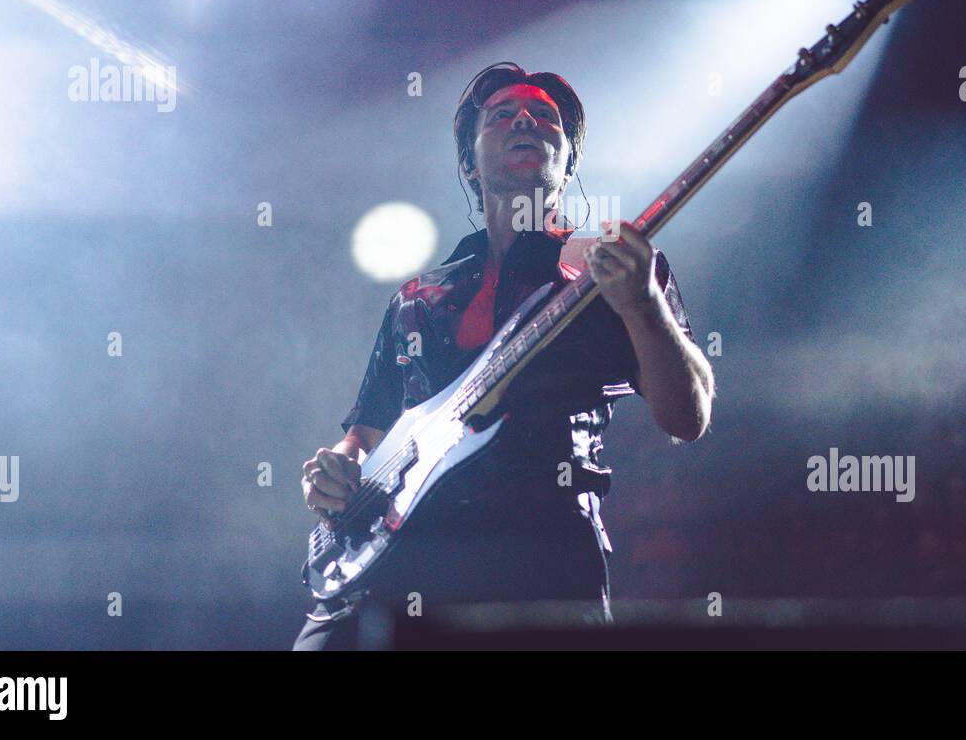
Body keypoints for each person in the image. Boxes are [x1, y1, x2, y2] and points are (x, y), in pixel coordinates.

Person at [293, 62, 715, 649]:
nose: (526, 120)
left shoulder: (609, 269)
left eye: (546, 118)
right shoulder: (418, 295)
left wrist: (644, 304)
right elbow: (367, 431)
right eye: (503, 116)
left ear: (568, 163)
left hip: (541, 554)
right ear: (469, 161)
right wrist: (336, 472)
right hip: (394, 553)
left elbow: (687, 418)